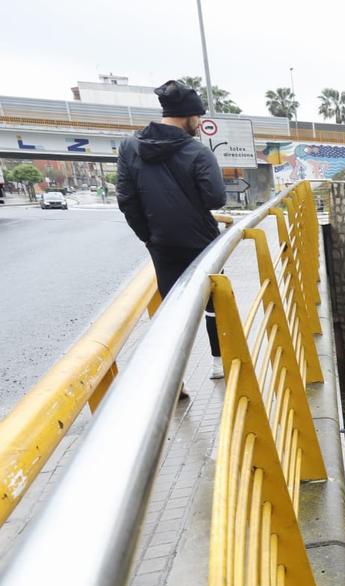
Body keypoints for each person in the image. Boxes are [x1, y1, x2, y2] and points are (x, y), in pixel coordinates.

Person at [117, 79, 226, 393]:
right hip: (203, 244)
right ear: (188, 116)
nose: (199, 123)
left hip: (162, 244)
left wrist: (149, 237)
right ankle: (221, 364)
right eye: (198, 117)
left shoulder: (129, 147)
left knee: (170, 314)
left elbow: (127, 200)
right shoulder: (196, 152)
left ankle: (173, 382)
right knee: (216, 304)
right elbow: (215, 199)